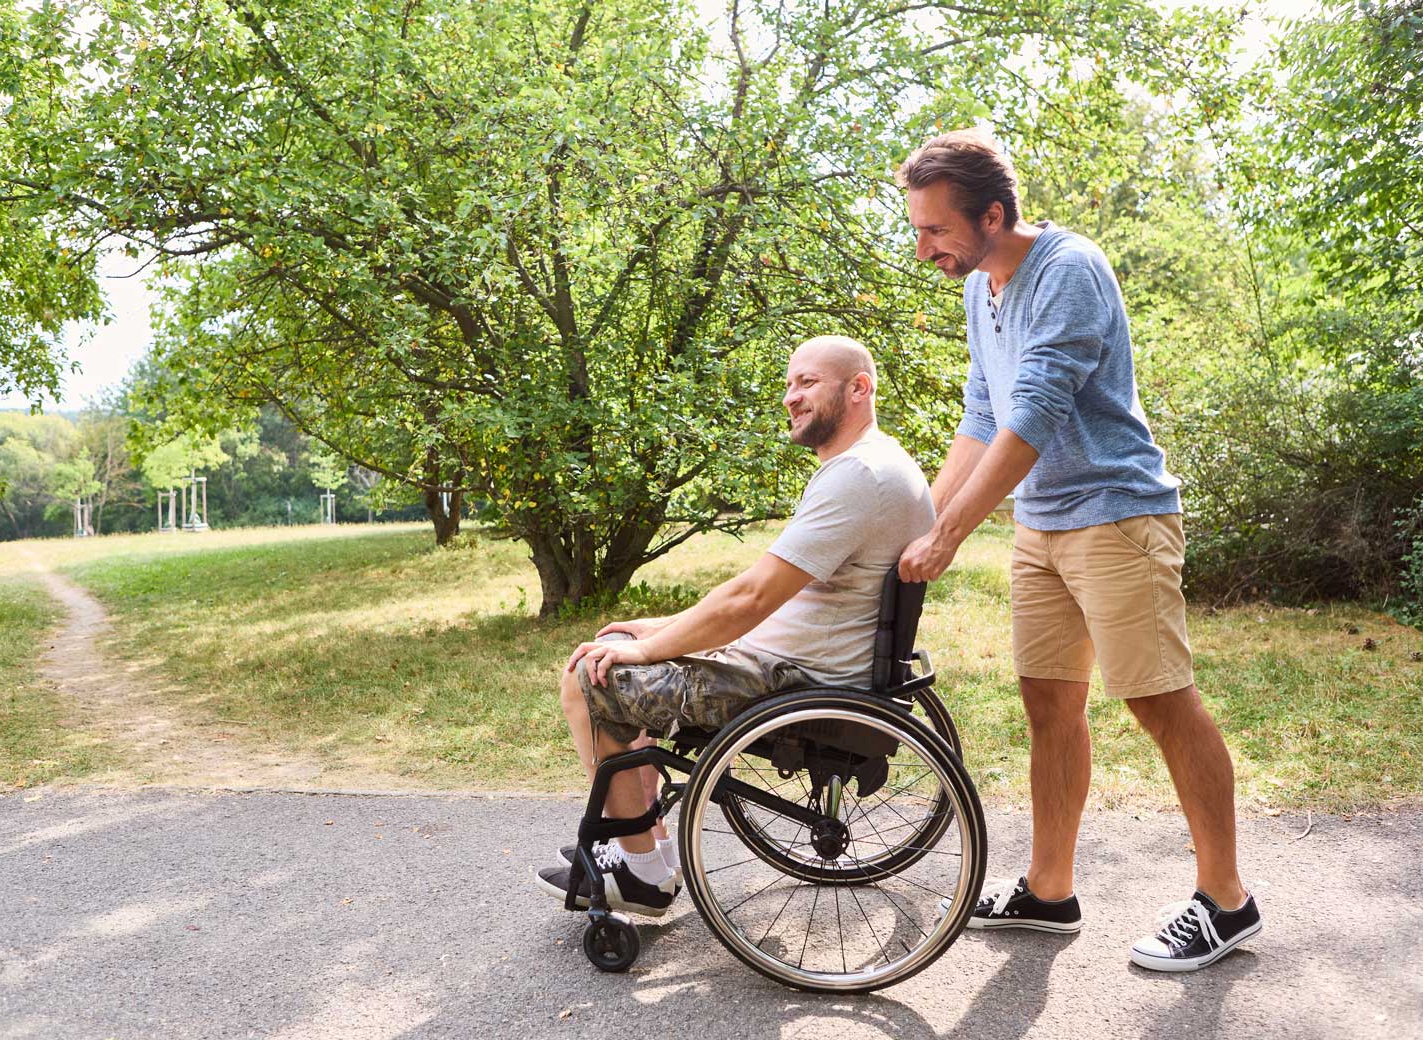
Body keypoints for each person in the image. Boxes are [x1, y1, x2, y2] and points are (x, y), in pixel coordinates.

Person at [894, 130, 1261, 971]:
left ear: (992, 215)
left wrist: (950, 536)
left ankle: (1228, 902)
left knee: (1160, 703)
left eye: (936, 231)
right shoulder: (980, 288)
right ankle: (1049, 891)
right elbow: (981, 418)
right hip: (1043, 524)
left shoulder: (1068, 269)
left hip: (1116, 517)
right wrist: (915, 518)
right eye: (918, 230)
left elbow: (1036, 413)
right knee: (1048, 708)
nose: (925, 250)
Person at [533, 335, 935, 916]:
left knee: (587, 678)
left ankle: (644, 876)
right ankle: (650, 853)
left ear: (859, 388)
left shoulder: (858, 476)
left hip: (793, 679)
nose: (792, 397)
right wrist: (660, 627)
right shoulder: (878, 463)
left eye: (808, 383)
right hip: (800, 660)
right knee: (616, 645)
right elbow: (767, 591)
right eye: (790, 384)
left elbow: (751, 598)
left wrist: (649, 651)